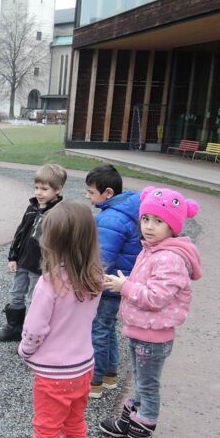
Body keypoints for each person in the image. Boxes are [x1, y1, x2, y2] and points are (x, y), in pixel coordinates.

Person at [5, 201, 103, 438]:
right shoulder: (95, 277)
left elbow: (35, 329)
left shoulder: (49, 284)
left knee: (46, 429)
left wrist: (25, 350)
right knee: (74, 422)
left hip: (53, 374)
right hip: (83, 366)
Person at [101, 186, 202, 438]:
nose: (149, 226)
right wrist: (126, 283)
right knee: (141, 381)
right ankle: (130, 420)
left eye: (159, 221)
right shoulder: (153, 250)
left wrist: (124, 287)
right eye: (146, 219)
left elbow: (156, 298)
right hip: (140, 330)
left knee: (148, 385)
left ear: (174, 226)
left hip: (153, 335)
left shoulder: (169, 257)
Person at [84, 164, 142, 399]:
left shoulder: (110, 218)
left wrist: (89, 281)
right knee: (107, 329)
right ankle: (109, 375)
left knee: (98, 330)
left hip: (108, 284)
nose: (87, 196)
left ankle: (94, 381)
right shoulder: (126, 211)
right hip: (120, 281)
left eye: (90, 192)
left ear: (107, 193)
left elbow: (102, 257)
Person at [0, 163, 67, 342]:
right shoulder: (32, 207)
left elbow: (59, 244)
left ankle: (33, 335)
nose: (39, 193)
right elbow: (20, 232)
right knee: (16, 293)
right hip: (23, 262)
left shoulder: (59, 213)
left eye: (44, 189)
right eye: (36, 188)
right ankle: (14, 328)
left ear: (58, 190)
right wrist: (12, 256)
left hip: (40, 266)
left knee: (36, 299)